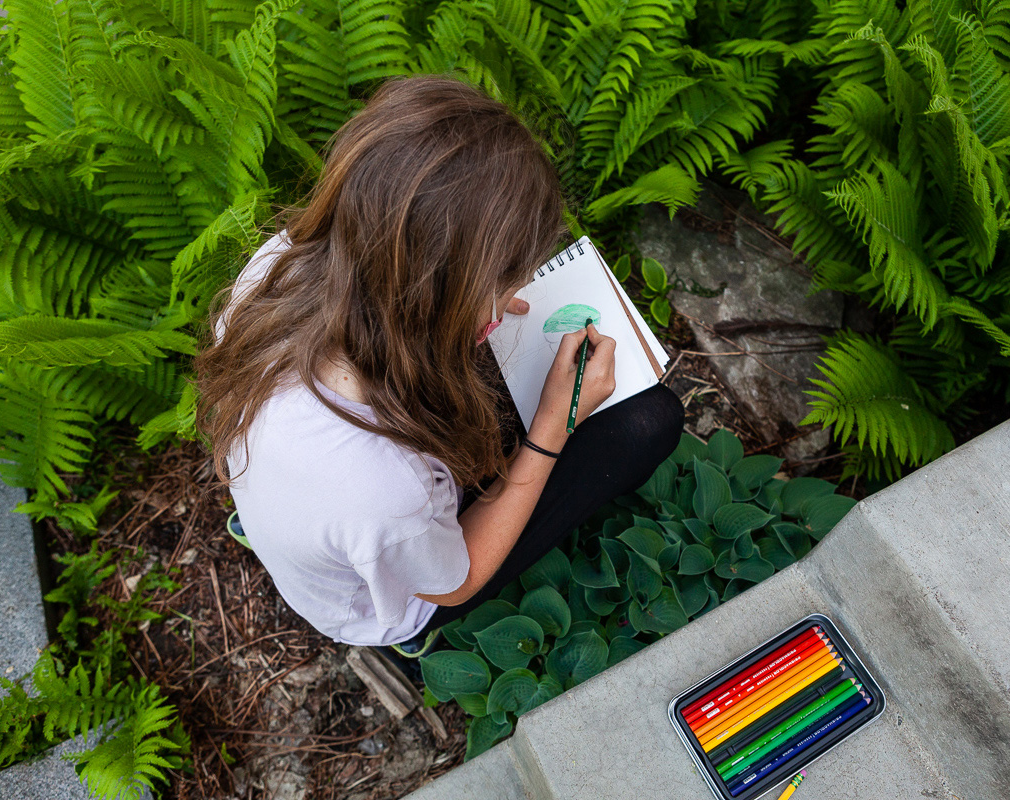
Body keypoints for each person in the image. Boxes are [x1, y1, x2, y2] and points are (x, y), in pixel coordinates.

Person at [195, 75, 684, 660]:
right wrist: (555, 422)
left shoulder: (274, 269)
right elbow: (459, 578)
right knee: (647, 421)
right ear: (435, 292)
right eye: (502, 282)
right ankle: (396, 616)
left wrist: (476, 303)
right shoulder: (384, 491)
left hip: (327, 499)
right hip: (391, 588)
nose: (518, 292)